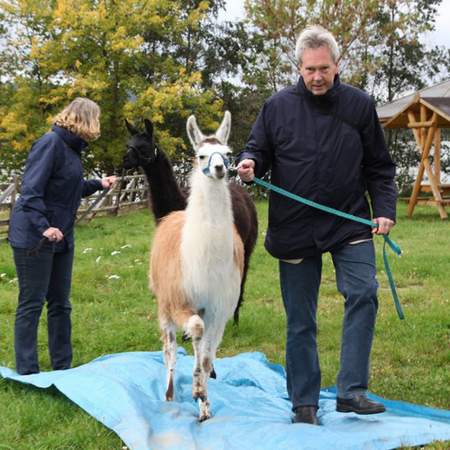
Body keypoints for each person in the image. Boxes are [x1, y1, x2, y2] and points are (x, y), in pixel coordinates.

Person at [237, 25, 397, 425]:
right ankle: (304, 402)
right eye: (309, 70)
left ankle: (352, 392)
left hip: (349, 222)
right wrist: (250, 163)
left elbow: (379, 166)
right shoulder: (277, 107)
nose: (317, 77)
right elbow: (258, 149)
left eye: (324, 68)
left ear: (337, 64)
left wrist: (385, 209)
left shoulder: (360, 106)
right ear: (299, 67)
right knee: (301, 318)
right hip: (294, 227)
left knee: (363, 293)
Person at [8, 97, 116, 375]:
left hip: (62, 236)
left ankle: (62, 367)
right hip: (35, 236)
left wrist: (98, 184)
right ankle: (28, 372)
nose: (99, 125)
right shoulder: (50, 144)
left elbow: (69, 187)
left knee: (60, 303)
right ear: (86, 119)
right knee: (31, 303)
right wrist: (44, 226)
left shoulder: (71, 149)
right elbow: (30, 191)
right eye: (97, 119)